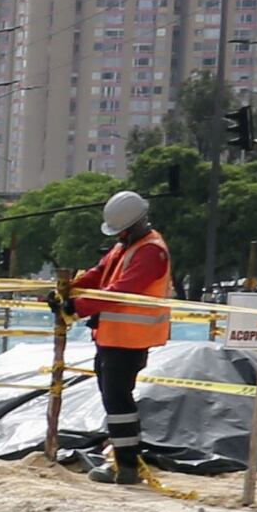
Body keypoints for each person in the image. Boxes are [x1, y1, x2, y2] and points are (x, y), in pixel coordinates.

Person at [64, 191, 170, 487]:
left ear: (134, 224)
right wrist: (67, 289)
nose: (119, 235)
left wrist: (78, 306)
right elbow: (99, 275)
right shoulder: (126, 247)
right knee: (116, 402)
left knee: (119, 402)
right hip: (113, 338)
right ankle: (124, 462)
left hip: (129, 341)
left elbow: (122, 289)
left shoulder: (151, 251)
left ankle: (126, 466)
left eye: (121, 230)